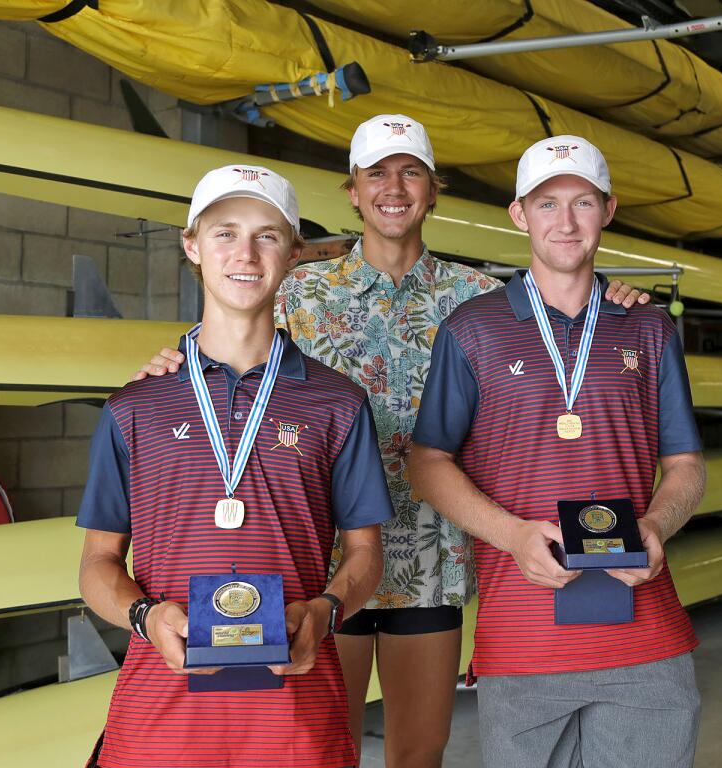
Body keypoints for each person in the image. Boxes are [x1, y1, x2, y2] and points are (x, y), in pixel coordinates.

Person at [135, 115, 650, 767]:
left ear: (433, 190)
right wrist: (167, 364)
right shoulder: (298, 290)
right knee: (328, 746)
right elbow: (227, 358)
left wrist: (619, 298)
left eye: (410, 171)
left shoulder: (478, 296)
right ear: (352, 190)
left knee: (421, 748)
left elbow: (568, 331)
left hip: (432, 557)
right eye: (376, 172)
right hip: (325, 562)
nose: (394, 187)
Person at [78, 164, 393, 768]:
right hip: (162, 719)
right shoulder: (134, 407)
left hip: (297, 718)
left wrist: (322, 614)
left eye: (267, 235)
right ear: (192, 245)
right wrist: (147, 616)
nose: (245, 253)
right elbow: (96, 564)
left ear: (294, 253)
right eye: (225, 232)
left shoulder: (338, 402)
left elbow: (365, 556)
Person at [408, 135, 707, 768]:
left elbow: (686, 464)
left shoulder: (650, 327)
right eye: (546, 204)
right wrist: (514, 535)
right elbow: (426, 460)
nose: (565, 222)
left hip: (644, 635)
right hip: (524, 637)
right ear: (519, 215)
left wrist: (656, 524)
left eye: (582, 203)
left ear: (609, 209)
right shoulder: (472, 329)